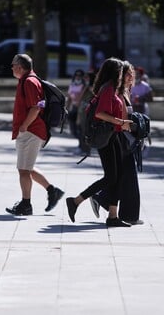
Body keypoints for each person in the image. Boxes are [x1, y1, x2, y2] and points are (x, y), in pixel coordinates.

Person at [65, 57, 134, 227]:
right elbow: (100, 114)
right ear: (115, 72)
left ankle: (112, 216)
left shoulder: (111, 89)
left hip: (114, 135)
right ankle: (76, 201)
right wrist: (120, 122)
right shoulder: (108, 89)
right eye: (120, 71)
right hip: (108, 137)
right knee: (111, 177)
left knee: (117, 177)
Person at [5, 54, 64, 216]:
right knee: (27, 168)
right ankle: (52, 191)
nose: (11, 68)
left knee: (23, 170)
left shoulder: (30, 81)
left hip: (31, 131)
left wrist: (24, 125)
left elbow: (36, 107)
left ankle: (26, 204)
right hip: (31, 130)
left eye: (13, 65)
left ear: (20, 67)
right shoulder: (28, 80)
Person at [89, 61, 143, 225]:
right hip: (119, 136)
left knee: (125, 176)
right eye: (126, 73)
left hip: (126, 136)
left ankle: (110, 204)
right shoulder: (115, 91)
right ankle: (105, 202)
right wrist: (124, 123)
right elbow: (112, 115)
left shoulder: (126, 91)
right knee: (123, 175)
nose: (130, 76)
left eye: (131, 73)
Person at [66, 69, 86, 154]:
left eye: (79, 75)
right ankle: (82, 143)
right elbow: (69, 97)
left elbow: (81, 97)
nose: (78, 77)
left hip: (80, 109)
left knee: (80, 128)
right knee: (73, 129)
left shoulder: (84, 86)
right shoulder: (72, 84)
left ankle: (82, 146)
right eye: (76, 75)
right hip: (73, 108)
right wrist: (66, 108)